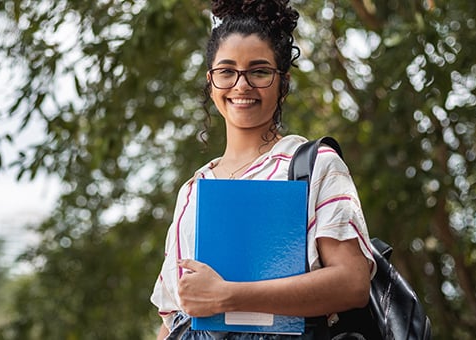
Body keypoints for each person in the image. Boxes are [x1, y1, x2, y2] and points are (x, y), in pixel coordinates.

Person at [150, 1, 376, 339]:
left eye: (258, 71)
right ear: (210, 81)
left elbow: (352, 283)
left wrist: (229, 296)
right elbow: (172, 318)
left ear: (282, 81)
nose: (241, 86)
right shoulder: (194, 190)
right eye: (227, 71)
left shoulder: (312, 165)